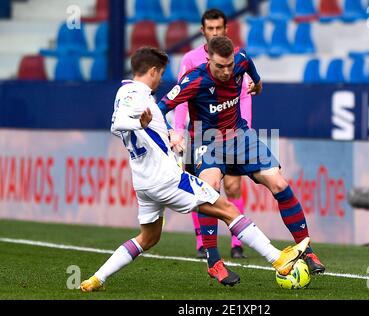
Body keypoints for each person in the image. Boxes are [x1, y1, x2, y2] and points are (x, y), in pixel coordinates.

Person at [79, 46, 311, 292]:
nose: (161, 81)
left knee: (148, 238)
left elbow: (140, 126)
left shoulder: (125, 92)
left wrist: (167, 132)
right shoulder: (137, 94)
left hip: (144, 183)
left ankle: (96, 278)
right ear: (154, 71)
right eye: (161, 74)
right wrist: (138, 122)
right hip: (167, 179)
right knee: (229, 210)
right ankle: (279, 260)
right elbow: (118, 123)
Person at [158, 36, 325, 287]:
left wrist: (257, 85)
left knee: (279, 183)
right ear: (209, 60)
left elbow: (254, 76)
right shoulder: (194, 79)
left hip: (240, 136)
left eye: (229, 65)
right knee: (209, 190)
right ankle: (213, 261)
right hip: (206, 141)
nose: (226, 71)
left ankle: (307, 249)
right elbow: (161, 107)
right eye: (219, 66)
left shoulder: (241, 60)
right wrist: (172, 132)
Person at [174, 9, 251, 260]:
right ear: (203, 31)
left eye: (219, 28)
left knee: (233, 185)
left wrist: (245, 127)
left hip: (231, 131)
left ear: (226, 30)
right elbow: (181, 99)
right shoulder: (190, 59)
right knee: (204, 187)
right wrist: (177, 131)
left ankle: (237, 243)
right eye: (211, 28)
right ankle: (203, 243)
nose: (215, 32)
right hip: (200, 133)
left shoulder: (236, 58)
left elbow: (244, 95)